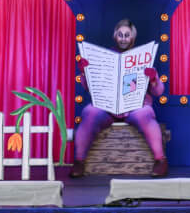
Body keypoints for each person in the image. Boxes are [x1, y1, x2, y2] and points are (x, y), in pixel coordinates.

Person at [70, 18, 167, 178]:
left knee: (145, 113)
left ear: (132, 38)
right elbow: (89, 87)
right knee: (90, 111)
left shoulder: (143, 57)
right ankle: (79, 161)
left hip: (134, 107)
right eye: (120, 35)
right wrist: (84, 72)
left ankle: (160, 160)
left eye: (127, 35)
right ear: (115, 36)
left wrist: (154, 79)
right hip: (107, 107)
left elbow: (159, 92)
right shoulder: (103, 57)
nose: (123, 38)